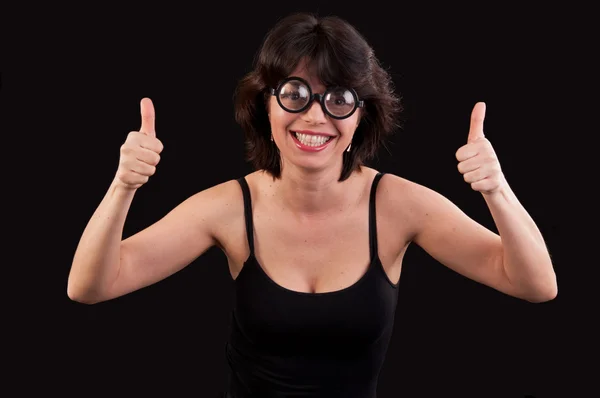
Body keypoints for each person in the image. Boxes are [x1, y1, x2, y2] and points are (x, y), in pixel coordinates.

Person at [67, 11, 557, 398]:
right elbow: (91, 286)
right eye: (295, 94)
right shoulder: (229, 206)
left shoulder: (398, 204)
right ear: (266, 104)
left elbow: (535, 284)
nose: (315, 117)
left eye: (339, 98)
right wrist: (122, 187)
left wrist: (497, 190)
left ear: (361, 114)